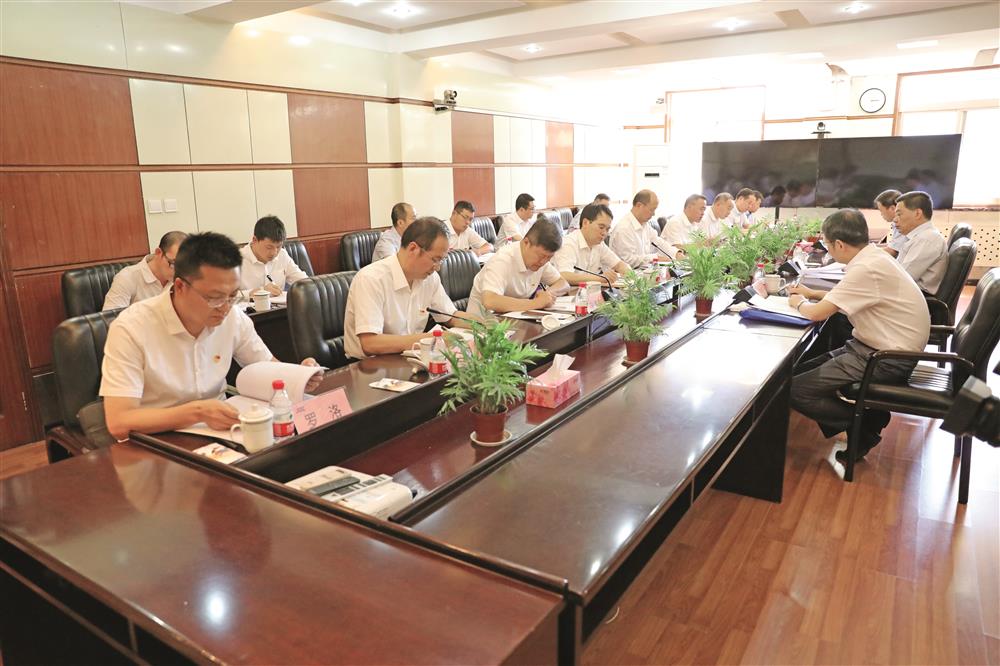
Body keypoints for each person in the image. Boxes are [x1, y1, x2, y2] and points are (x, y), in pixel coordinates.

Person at [101, 232, 322, 440]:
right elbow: (119, 422)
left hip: (222, 435)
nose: (225, 307)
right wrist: (198, 412)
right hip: (156, 441)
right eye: (214, 297)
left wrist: (298, 376)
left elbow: (266, 366)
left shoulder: (233, 318)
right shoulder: (131, 327)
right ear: (180, 287)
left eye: (233, 296)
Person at [786, 209, 930, 462]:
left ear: (840, 244)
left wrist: (798, 302)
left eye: (827, 244)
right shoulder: (873, 257)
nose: (827, 249)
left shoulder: (866, 268)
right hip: (874, 347)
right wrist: (812, 293)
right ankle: (864, 419)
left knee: (795, 390)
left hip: (886, 358)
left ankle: (864, 423)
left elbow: (817, 314)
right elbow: (851, 295)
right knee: (796, 371)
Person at [343, 217, 475, 359]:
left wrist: (485, 324)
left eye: (442, 260)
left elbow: (450, 316)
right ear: (413, 249)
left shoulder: (430, 278)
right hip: (368, 365)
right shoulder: (371, 279)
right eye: (435, 259)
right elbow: (370, 343)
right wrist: (432, 339)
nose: (437, 267)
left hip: (409, 358)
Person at [467, 219, 569, 314]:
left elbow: (563, 284)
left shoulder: (541, 260)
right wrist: (536, 303)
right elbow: (490, 301)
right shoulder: (503, 259)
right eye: (541, 256)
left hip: (514, 320)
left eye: (549, 257)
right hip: (482, 323)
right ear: (526, 243)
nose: (543, 262)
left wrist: (547, 295)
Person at [103, 231, 188, 311]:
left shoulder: (186, 278)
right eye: (174, 264)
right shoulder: (127, 278)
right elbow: (111, 319)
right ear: (159, 253)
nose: (180, 271)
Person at [553, 203, 629, 286]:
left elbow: (619, 264)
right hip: (567, 293)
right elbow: (564, 276)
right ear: (585, 223)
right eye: (601, 227)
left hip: (589, 292)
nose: (604, 233)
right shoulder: (568, 243)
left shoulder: (599, 244)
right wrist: (600, 278)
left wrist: (630, 274)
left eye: (607, 229)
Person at [238, 215, 308, 295]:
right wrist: (258, 292)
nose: (274, 253)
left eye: (278, 247)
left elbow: (304, 282)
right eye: (269, 247)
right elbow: (227, 296)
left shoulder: (282, 255)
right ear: (255, 240)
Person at [893, 191, 947, 294]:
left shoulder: (926, 239)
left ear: (917, 213)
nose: (895, 220)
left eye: (899, 214)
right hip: (909, 292)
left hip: (914, 296)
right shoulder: (920, 236)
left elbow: (901, 278)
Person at [609, 189, 676, 267]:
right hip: (626, 273)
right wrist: (655, 258)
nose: (654, 214)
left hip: (643, 271)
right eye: (652, 209)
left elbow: (659, 242)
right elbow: (628, 260)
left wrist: (676, 253)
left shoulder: (645, 225)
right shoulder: (624, 228)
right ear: (639, 205)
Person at [874, 189, 904, 257]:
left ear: (893, 208)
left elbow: (892, 251)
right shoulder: (896, 223)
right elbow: (892, 246)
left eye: (881, 210)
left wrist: (866, 251)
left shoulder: (903, 224)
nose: (881, 214)